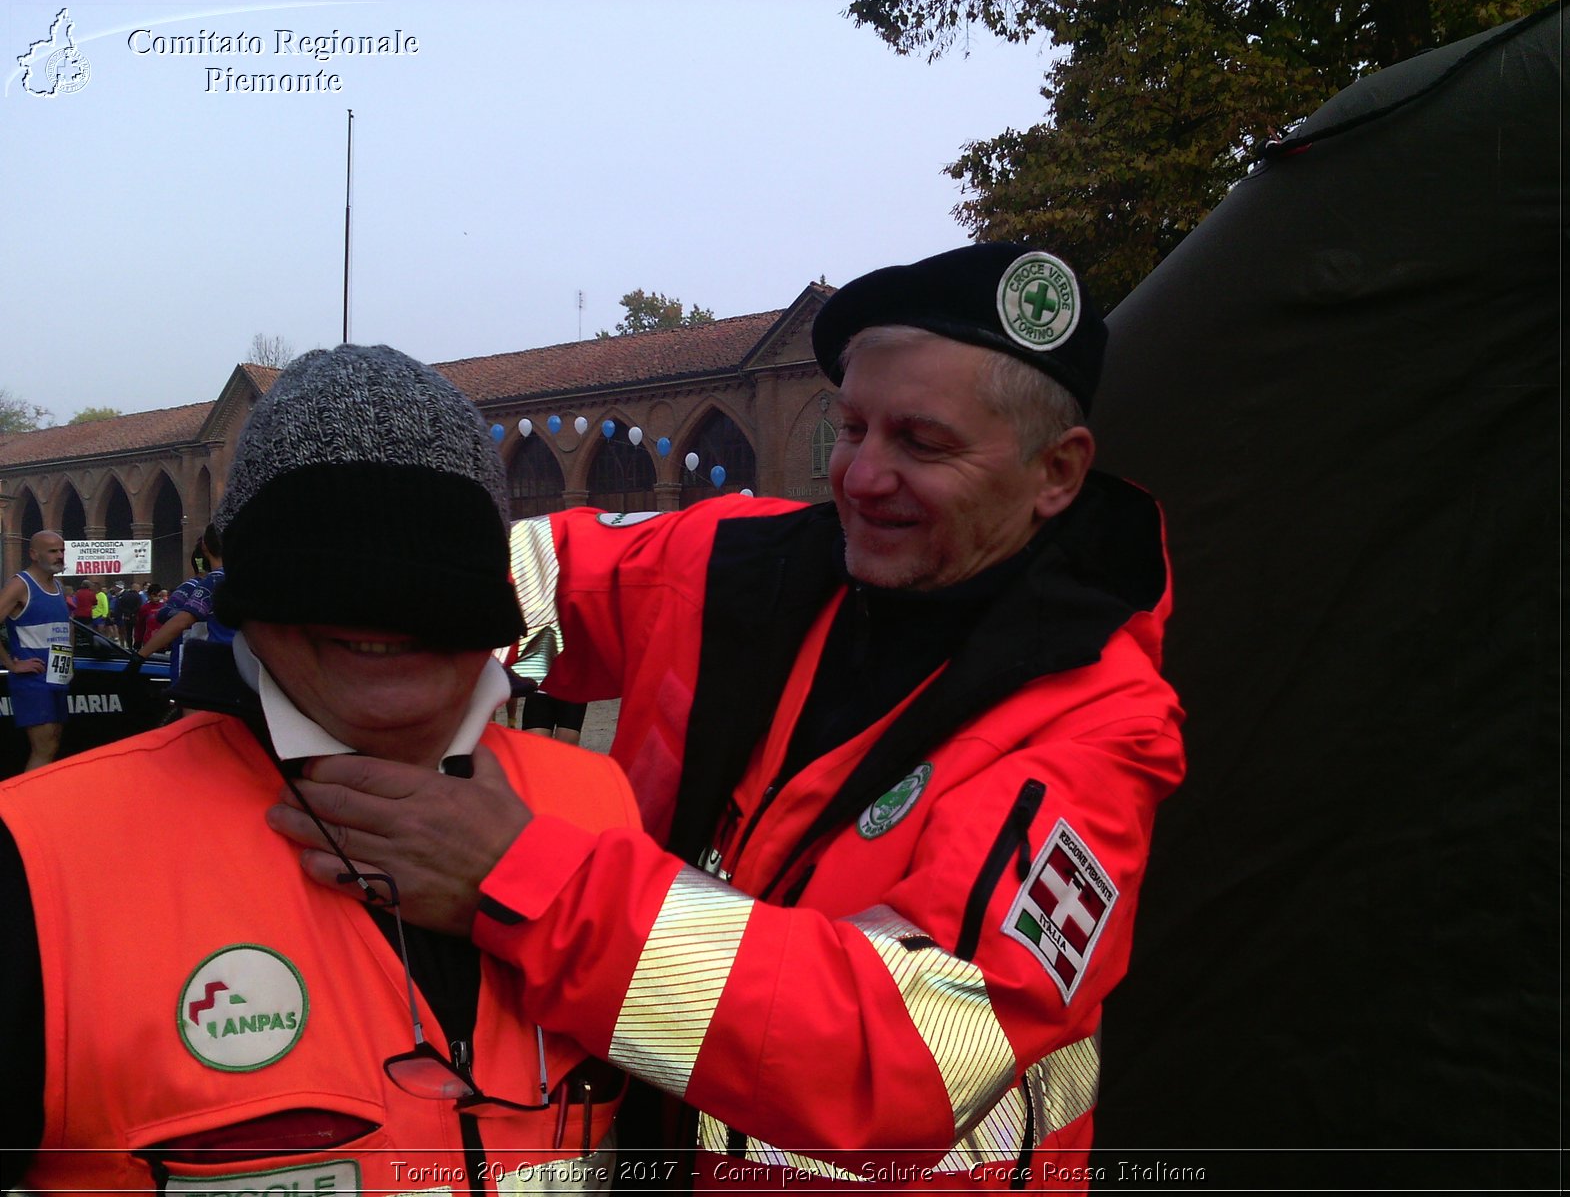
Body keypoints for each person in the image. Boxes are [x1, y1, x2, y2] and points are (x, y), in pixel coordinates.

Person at [268, 245, 1187, 1189]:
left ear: (1058, 473)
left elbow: (922, 1046)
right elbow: (513, 576)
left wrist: (522, 880)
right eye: (851, 428)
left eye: (922, 443)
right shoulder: (741, 562)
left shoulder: (1102, 724)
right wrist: (283, 609)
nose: (861, 477)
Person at [0, 345, 637, 1193]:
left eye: (429, 570)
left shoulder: (599, 801)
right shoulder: (39, 859)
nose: (381, 611)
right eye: (329, 566)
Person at [0, 532, 72, 771]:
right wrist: (11, 664)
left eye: (62, 550)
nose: (60, 556)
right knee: (45, 746)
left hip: (57, 676)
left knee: (54, 743)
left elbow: (64, 627)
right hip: (33, 678)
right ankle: (27, 805)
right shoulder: (21, 584)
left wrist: (70, 660)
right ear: (33, 554)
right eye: (53, 551)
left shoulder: (58, 585)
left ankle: (42, 800)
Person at [137, 525, 230, 681]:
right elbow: (165, 613)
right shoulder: (242, 578)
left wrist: (139, 657)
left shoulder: (213, 580)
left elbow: (179, 621)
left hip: (207, 664)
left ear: (205, 548)